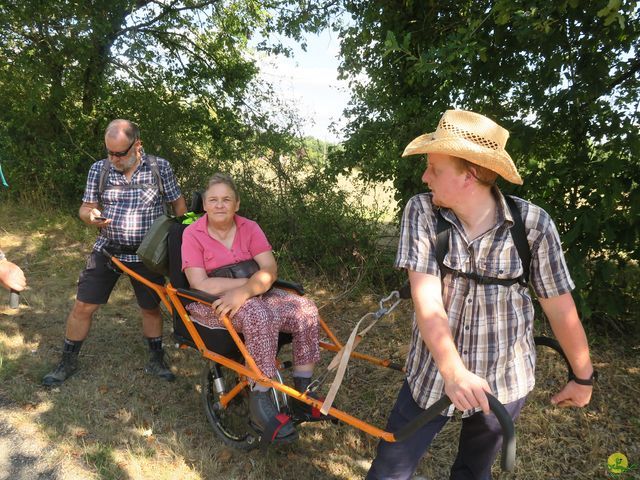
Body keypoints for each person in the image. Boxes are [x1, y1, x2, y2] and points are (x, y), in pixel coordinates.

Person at [367, 110, 595, 479]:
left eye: (435, 169)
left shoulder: (533, 225)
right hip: (432, 374)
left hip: (503, 382)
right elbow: (427, 302)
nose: (425, 177)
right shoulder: (421, 212)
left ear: (469, 175)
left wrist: (583, 378)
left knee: (474, 471)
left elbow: (560, 307)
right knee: (389, 469)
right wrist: (454, 372)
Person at [42, 119, 187, 386]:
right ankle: (67, 361)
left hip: (147, 255)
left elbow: (178, 204)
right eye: (110, 152)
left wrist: (183, 242)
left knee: (151, 308)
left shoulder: (159, 167)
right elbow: (85, 208)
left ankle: (156, 359)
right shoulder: (99, 169)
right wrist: (91, 216)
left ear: (138, 144)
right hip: (107, 251)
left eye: (121, 153)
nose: (114, 158)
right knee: (83, 306)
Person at [181, 173, 322, 441]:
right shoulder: (192, 233)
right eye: (213, 200)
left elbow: (269, 268)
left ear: (237, 204)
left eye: (226, 199)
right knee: (258, 314)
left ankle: (304, 393)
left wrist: (244, 290)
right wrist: (250, 284)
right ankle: (261, 400)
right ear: (205, 204)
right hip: (212, 304)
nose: (220, 205)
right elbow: (200, 283)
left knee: (306, 308)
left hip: (254, 294)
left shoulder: (250, 227)